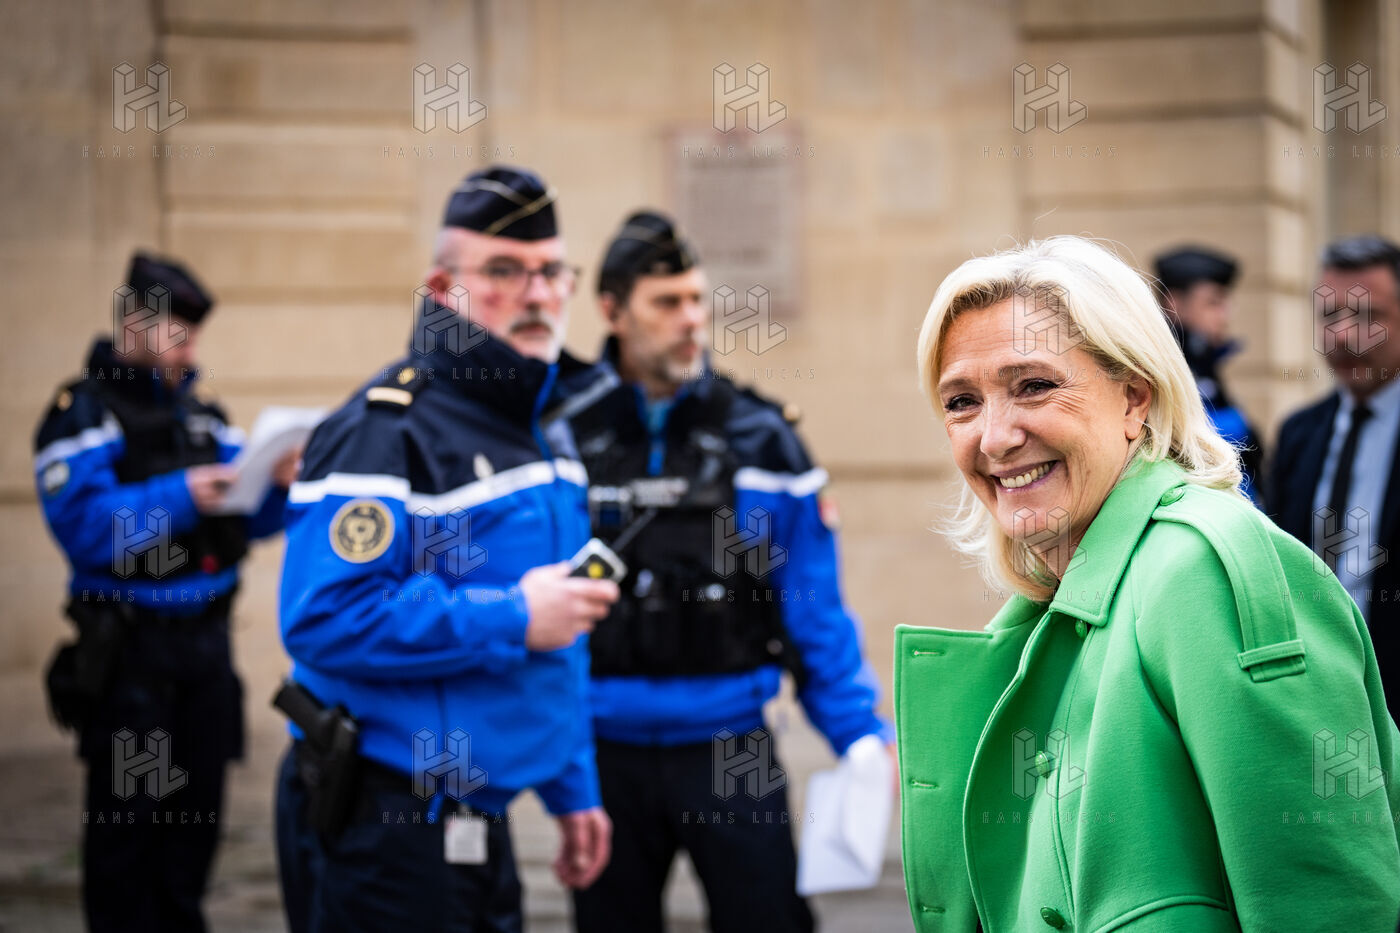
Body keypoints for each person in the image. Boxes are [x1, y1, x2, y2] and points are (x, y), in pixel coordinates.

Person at [897, 235, 1400, 932]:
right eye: (961, 401)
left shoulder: (1207, 571)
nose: (994, 437)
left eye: (1034, 385)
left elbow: (1328, 907)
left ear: (1135, 397)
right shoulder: (1063, 594)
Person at [273, 165, 620, 933]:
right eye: (503, 271)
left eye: (551, 271)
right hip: (387, 818)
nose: (537, 294)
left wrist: (573, 784)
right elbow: (324, 617)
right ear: (442, 289)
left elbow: (561, 632)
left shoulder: (548, 428)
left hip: (481, 811)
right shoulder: (382, 429)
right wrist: (512, 614)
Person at [559, 211, 891, 933]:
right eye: (666, 302)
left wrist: (858, 732)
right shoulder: (562, 437)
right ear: (612, 310)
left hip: (730, 746)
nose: (691, 320)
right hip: (600, 751)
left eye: (696, 300)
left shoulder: (760, 437)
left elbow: (811, 603)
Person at [34, 253, 295, 933]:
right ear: (135, 325)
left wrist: (276, 485)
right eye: (178, 336)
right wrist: (181, 496)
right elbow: (88, 530)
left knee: (193, 836)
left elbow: (247, 520)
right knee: (128, 840)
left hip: (205, 660)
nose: (189, 352)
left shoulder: (203, 417)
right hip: (133, 666)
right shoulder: (83, 414)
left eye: (193, 337)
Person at [1268, 234, 1400, 722]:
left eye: (1367, 316)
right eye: (1329, 315)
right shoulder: (1298, 434)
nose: (1343, 335)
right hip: (1314, 704)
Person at [1153, 245, 1265, 502]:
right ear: (1174, 302)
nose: (1225, 316)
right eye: (1213, 303)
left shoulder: (1205, 362)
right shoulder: (1160, 370)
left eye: (1226, 303)